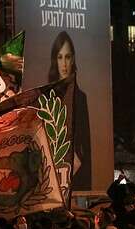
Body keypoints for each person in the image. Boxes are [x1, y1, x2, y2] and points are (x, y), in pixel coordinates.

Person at [48, 30, 91, 190]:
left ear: (73, 59)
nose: (64, 64)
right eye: (60, 57)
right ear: (55, 60)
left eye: (67, 57)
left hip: (76, 178)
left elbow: (85, 146)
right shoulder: (47, 97)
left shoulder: (80, 98)